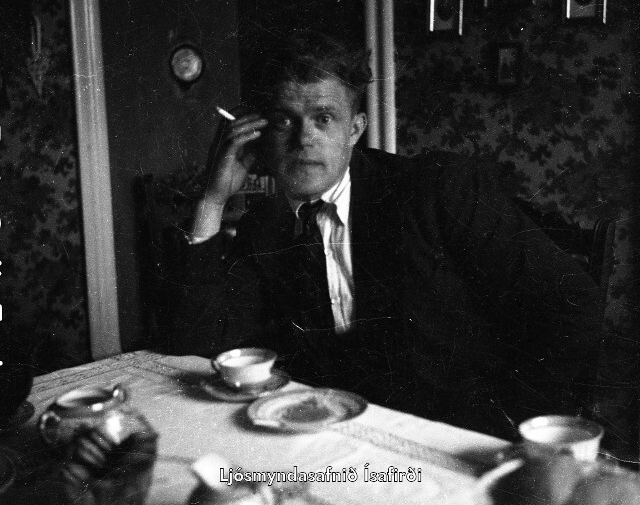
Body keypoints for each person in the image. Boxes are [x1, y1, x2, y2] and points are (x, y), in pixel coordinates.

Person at [171, 30, 600, 439]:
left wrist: (514, 426)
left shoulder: (436, 190)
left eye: (324, 118)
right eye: (285, 121)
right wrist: (212, 200)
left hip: (455, 437)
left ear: (355, 129)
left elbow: (572, 301)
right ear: (262, 135)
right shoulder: (265, 225)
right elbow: (197, 348)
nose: (305, 139)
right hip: (329, 439)